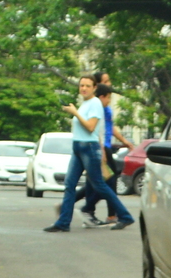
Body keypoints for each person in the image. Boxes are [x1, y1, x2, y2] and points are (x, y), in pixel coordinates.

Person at [45, 76, 132, 233]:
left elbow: (91, 127)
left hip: (88, 148)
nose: (83, 88)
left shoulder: (95, 103)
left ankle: (125, 216)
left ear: (94, 88)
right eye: (81, 85)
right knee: (69, 185)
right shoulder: (85, 104)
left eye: (87, 86)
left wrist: (75, 113)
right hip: (78, 146)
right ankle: (63, 222)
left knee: (99, 184)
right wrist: (75, 111)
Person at [81, 83, 136, 227]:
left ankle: (99, 212)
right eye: (108, 98)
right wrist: (102, 151)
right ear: (101, 97)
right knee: (104, 183)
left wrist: (124, 141)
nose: (109, 101)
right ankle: (89, 209)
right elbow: (96, 131)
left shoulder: (103, 109)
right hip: (100, 148)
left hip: (103, 148)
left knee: (103, 183)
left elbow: (109, 128)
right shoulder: (97, 109)